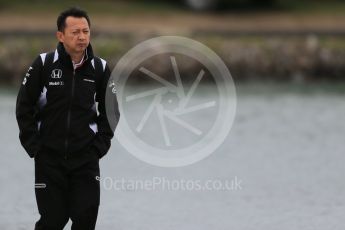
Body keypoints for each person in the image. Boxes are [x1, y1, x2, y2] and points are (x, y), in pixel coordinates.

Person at [16, 7, 120, 230]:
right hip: (49, 160)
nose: (82, 37)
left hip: (85, 161)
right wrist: (35, 148)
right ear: (60, 36)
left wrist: (98, 149)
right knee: (52, 222)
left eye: (86, 31)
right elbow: (23, 108)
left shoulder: (100, 68)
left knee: (85, 220)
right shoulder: (43, 64)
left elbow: (111, 112)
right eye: (75, 32)